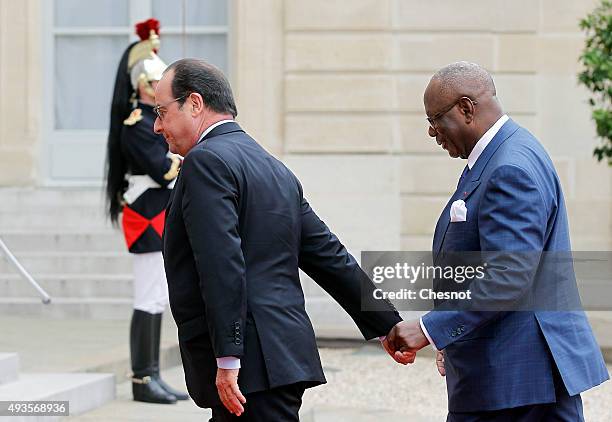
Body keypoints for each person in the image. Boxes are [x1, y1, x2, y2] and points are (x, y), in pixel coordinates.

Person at [154, 58, 403, 421]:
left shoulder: (205, 162)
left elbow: (221, 263)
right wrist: (387, 324)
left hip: (247, 369)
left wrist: (228, 357)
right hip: (279, 359)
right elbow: (328, 254)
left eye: (161, 111)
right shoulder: (271, 166)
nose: (157, 125)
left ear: (194, 104)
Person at [384, 62, 609, 421]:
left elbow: (507, 277)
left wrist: (430, 329)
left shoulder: (509, 167)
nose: (431, 132)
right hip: (508, 379)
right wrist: (453, 337)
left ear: (466, 108)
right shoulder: (499, 156)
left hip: (519, 383)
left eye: (435, 119)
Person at [105, 18, 187, 405]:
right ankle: (142, 378)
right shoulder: (137, 124)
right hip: (145, 214)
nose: (157, 90)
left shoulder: (149, 120)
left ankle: (151, 373)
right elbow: (163, 169)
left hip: (157, 211)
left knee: (157, 295)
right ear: (139, 84)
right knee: (148, 295)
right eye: (152, 83)